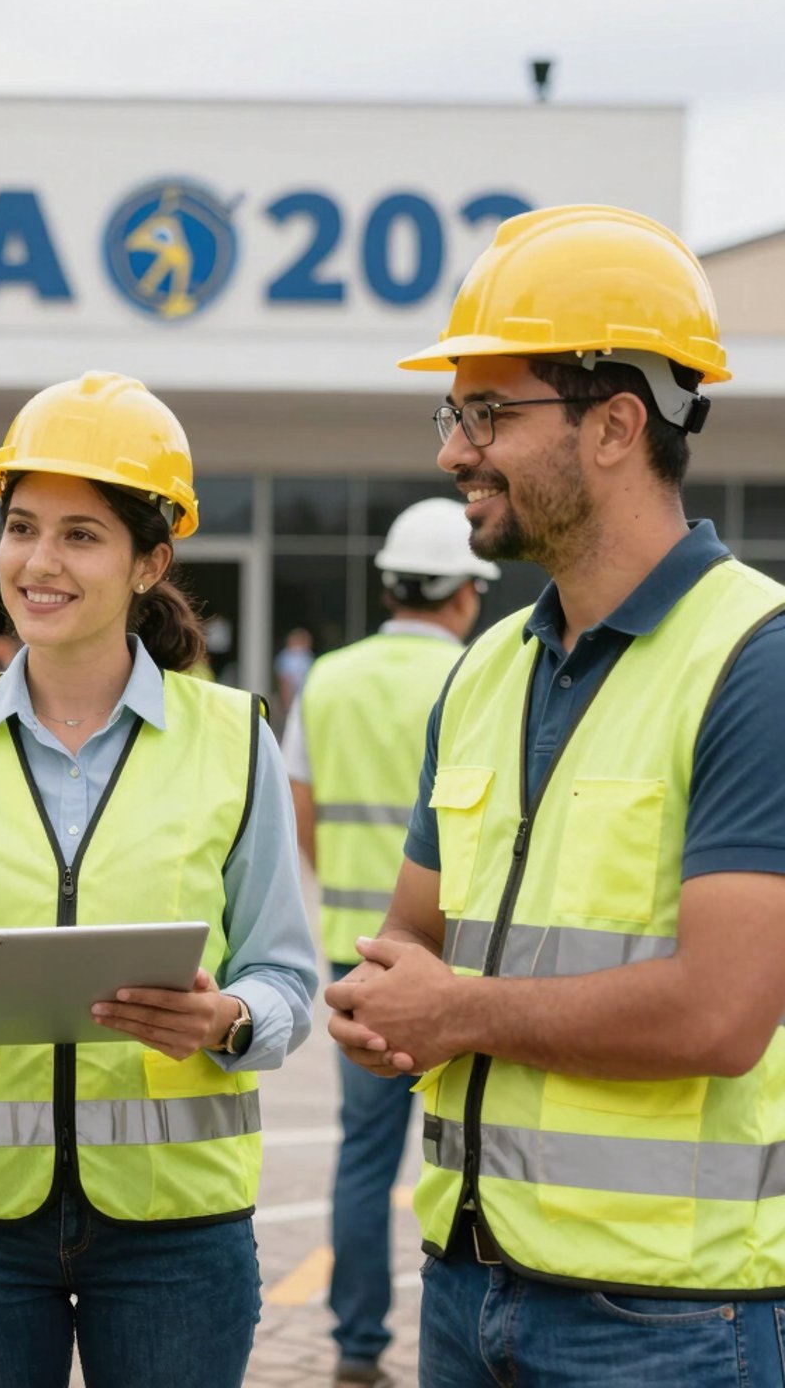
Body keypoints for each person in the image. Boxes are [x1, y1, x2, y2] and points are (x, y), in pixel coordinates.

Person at [325, 205, 785, 1386]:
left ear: (617, 424)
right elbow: (414, 938)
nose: (454, 452)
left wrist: (456, 1013)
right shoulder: (485, 670)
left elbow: (721, 1016)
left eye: (489, 413)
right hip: (466, 1286)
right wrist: (378, 1005)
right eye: (453, 414)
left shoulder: (757, 662)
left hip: (672, 1323)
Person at [0, 371, 317, 1388]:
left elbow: (286, 977)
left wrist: (226, 1019)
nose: (39, 562)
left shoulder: (235, 742)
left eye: (81, 535)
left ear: (151, 563)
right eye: (21, 528)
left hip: (176, 1230)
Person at [282, 498, 498, 1388]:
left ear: (389, 585)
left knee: (365, 1157)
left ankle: (357, 1343)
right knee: (482, 1151)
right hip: (463, 966)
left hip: (358, 960)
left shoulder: (326, 678)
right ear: (465, 594)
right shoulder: (487, 672)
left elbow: (301, 810)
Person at [274, 626, 315, 718]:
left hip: (305, 698)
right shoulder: (287, 657)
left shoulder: (308, 657)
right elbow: (284, 682)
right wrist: (286, 703)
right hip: (293, 699)